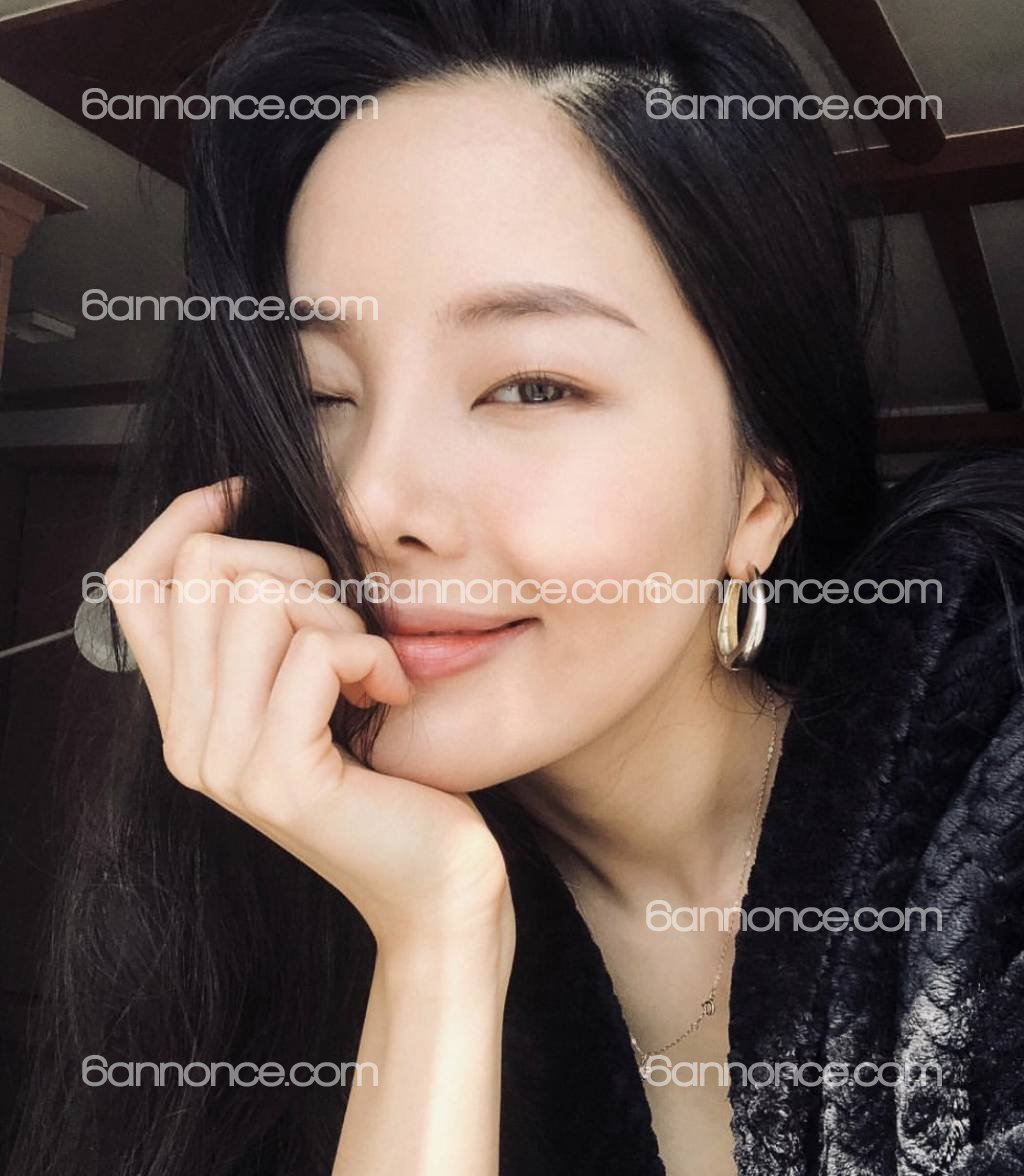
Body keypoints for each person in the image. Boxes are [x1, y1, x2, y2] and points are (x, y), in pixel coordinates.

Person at [5, 1, 1023, 1174]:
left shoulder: (983, 822)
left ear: (759, 495)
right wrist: (433, 931)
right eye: (318, 396)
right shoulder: (270, 907)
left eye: (532, 387)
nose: (368, 501)